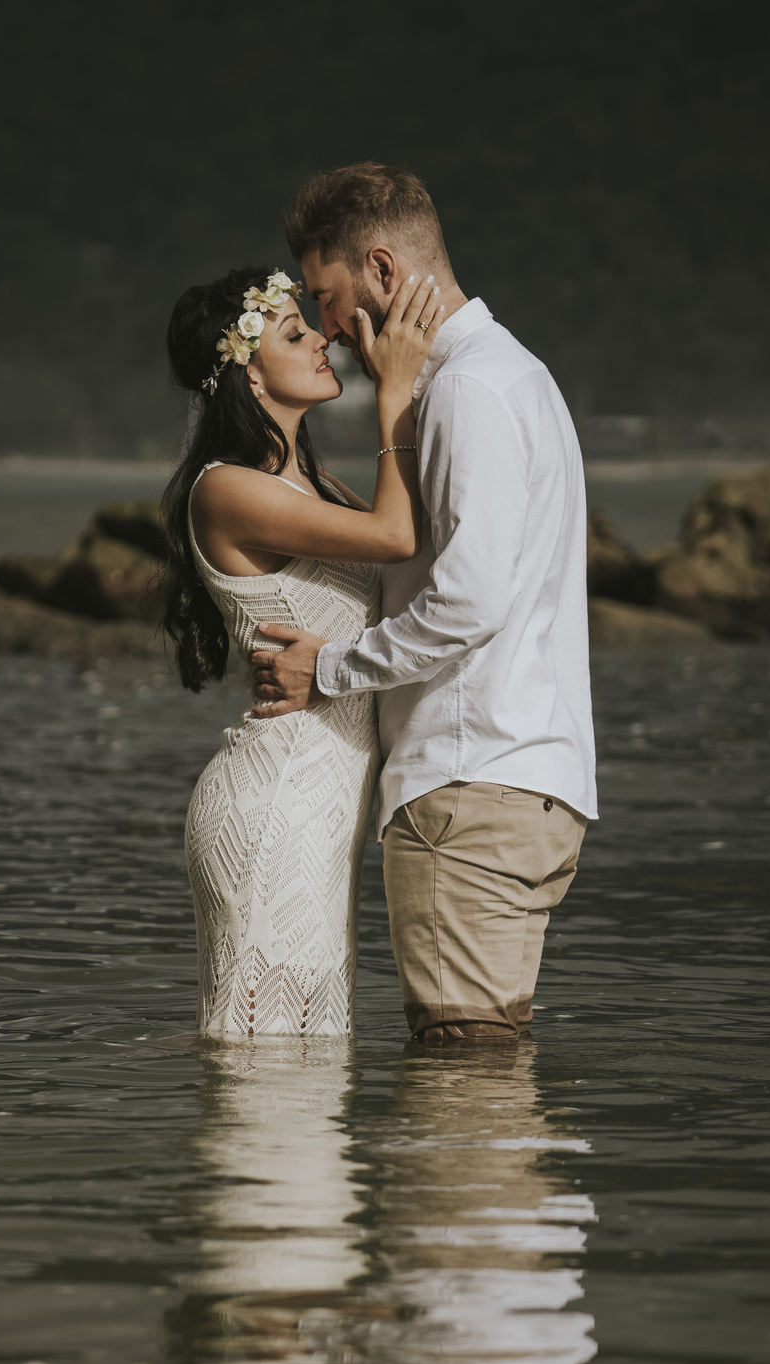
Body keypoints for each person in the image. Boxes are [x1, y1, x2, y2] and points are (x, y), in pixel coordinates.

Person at [251, 164, 598, 1044]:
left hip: (468, 781)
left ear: (382, 268)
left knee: (460, 1068)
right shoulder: (516, 374)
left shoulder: (466, 393)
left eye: (327, 296)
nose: (326, 324)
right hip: (529, 779)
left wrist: (326, 668)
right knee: (489, 1062)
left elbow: (468, 601)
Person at [160, 262, 444, 1038]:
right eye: (294, 333)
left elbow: (411, 547)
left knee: (305, 1065)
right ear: (248, 379)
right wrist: (393, 387)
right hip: (276, 800)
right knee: (268, 1059)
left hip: (321, 805)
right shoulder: (227, 488)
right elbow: (397, 536)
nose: (323, 339)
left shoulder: (317, 484)